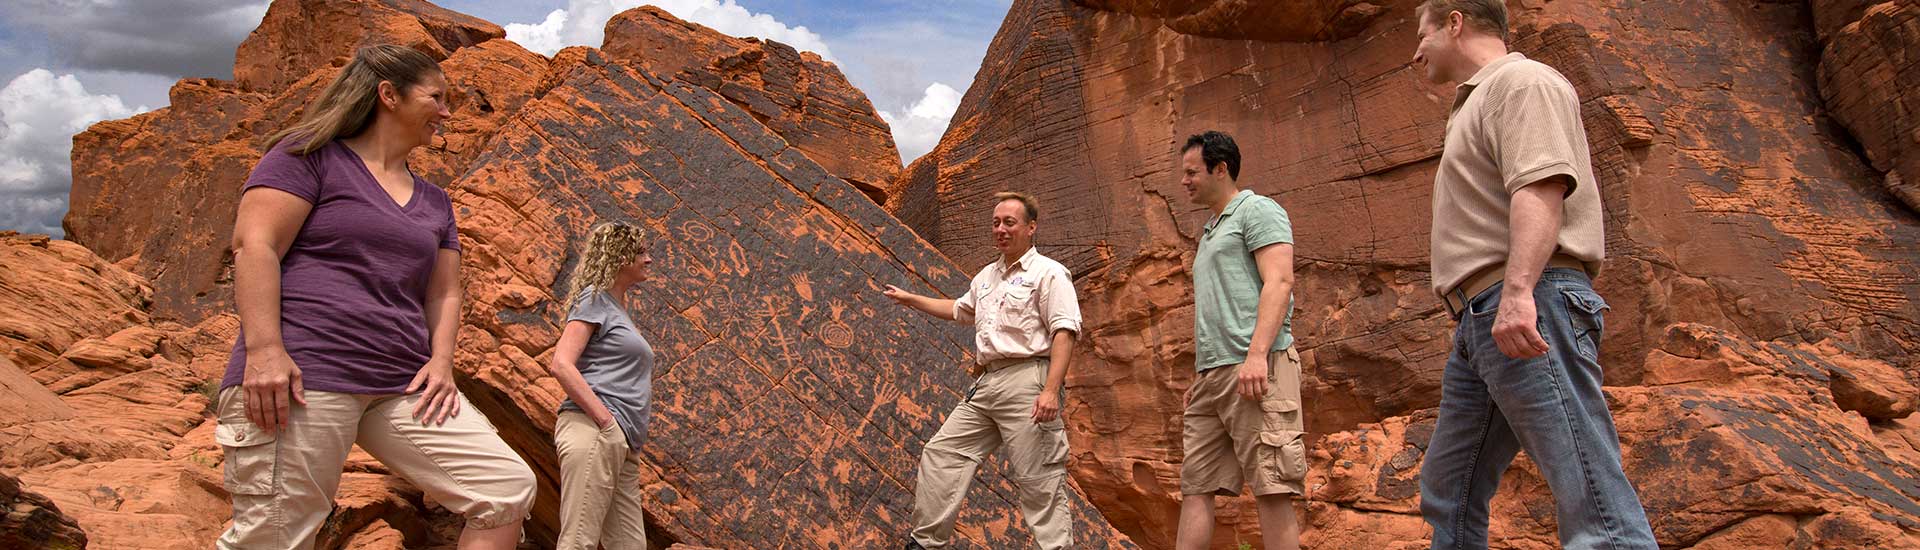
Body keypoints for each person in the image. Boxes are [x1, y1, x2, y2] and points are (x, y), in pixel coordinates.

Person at [215, 44, 535, 549]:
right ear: (389, 94)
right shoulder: (308, 157)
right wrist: (264, 351)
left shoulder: (435, 200)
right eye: (437, 97)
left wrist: (443, 362)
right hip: (307, 371)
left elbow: (444, 293)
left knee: (504, 489)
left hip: (401, 382)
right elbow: (255, 246)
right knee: (276, 535)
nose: (448, 112)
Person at [1409, 1, 1658, 548]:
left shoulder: (1521, 82)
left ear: (1455, 22)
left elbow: (1541, 187)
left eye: (1423, 32)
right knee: (1449, 486)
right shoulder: (1475, 101)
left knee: (1589, 489)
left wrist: (1520, 292)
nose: (1415, 50)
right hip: (1482, 319)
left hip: (1527, 300)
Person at [882, 191, 1082, 550]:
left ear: (1031, 227)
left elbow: (1064, 331)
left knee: (1038, 479)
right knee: (942, 453)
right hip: (987, 383)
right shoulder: (987, 277)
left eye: (1010, 222)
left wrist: (1051, 390)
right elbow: (960, 310)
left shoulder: (1049, 273)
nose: (1001, 229)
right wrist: (910, 298)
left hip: (1028, 380)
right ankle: (926, 543)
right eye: (995, 223)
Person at [1173, 131, 1305, 550]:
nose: (1185, 181)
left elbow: (1280, 281)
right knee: (1195, 485)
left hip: (1257, 368)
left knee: (1272, 484)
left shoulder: (1257, 211)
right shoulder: (1212, 229)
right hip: (1214, 377)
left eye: (1192, 172)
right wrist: (1206, 372)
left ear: (1221, 168)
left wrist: (1257, 355)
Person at [547, 221, 657, 550]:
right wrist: (606, 422)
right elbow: (561, 364)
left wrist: (619, 435)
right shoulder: (593, 300)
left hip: (621, 443)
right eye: (641, 252)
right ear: (620, 257)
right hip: (595, 430)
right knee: (578, 540)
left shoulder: (615, 308)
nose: (649, 259)